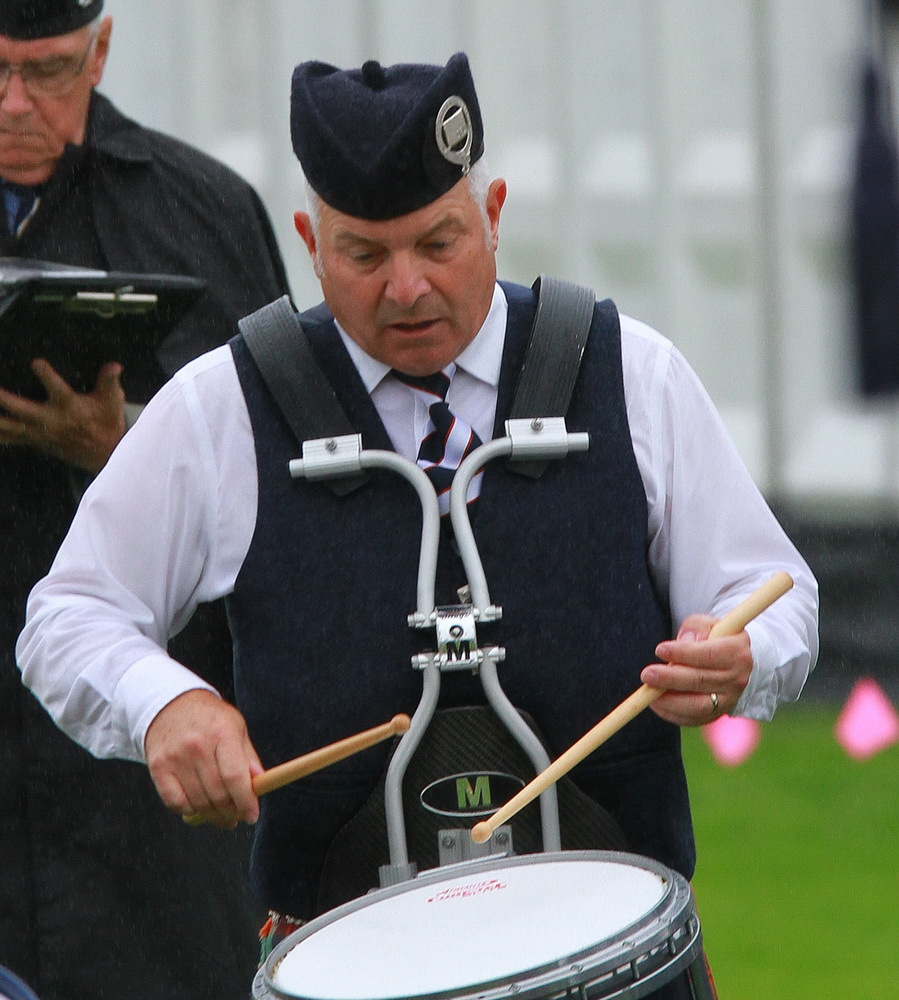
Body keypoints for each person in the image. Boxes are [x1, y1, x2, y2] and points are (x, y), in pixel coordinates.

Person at [17, 52, 818, 998]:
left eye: (439, 243)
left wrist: (738, 653)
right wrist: (163, 703)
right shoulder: (225, 406)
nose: (405, 288)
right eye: (364, 255)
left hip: (622, 968)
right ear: (310, 241)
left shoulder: (627, 373)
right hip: (345, 969)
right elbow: (68, 617)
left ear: (494, 214)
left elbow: (773, 592)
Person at [0, 2, 289, 999]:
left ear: (102, 52)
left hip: (149, 795)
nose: (14, 103)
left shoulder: (200, 209)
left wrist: (119, 448)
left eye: (48, 71)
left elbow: (291, 483)